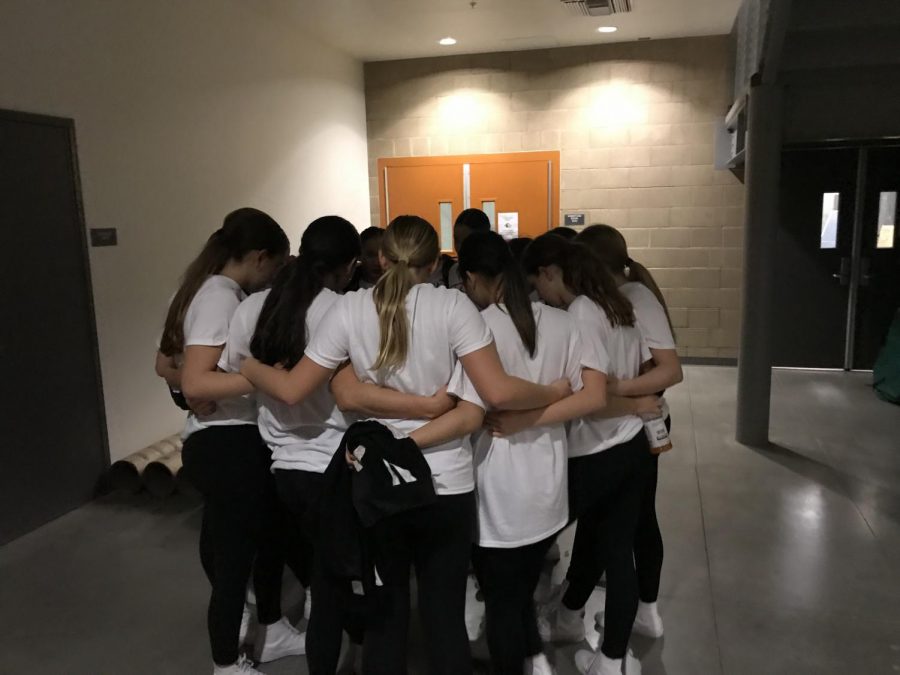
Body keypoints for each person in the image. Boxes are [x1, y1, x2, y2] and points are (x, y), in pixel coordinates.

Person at [240, 215, 571, 675]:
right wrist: (552, 394)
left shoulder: (349, 309)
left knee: (385, 619)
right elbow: (491, 397)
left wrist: (249, 368)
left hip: (377, 488)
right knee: (443, 619)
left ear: (379, 258)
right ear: (436, 262)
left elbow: (296, 389)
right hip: (445, 486)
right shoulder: (455, 308)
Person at [220, 215, 453, 674]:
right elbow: (351, 393)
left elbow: (238, 373)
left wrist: (249, 368)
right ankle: (365, 653)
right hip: (333, 468)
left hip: (280, 468)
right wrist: (429, 405)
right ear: (350, 266)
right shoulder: (340, 309)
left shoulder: (250, 310)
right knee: (339, 589)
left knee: (321, 582)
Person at [500, 232, 656, 675]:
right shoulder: (618, 306)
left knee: (531, 543)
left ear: (551, 273)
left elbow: (594, 396)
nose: (540, 297)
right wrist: (637, 405)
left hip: (594, 451)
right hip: (630, 447)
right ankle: (611, 660)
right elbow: (636, 375)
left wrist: (527, 418)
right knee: (616, 553)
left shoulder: (583, 311)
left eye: (539, 285)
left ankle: (526, 641)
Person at [456, 231, 611, 675]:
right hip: (547, 485)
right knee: (522, 589)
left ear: (471, 278)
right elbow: (591, 395)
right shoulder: (564, 324)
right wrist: (543, 409)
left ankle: (523, 659)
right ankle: (535, 659)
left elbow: (468, 409)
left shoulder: (479, 329)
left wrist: (521, 416)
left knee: (502, 601)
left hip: (497, 489)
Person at [157, 208, 300, 675]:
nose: (275, 277)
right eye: (276, 267)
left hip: (228, 440)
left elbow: (167, 366)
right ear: (260, 258)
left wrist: (197, 387)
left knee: (261, 538)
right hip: (226, 445)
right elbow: (197, 382)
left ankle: (272, 627)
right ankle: (226, 662)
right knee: (236, 558)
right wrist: (263, 378)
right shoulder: (220, 298)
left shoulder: (208, 290)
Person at [576, 224, 683, 639]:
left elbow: (670, 370)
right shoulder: (619, 298)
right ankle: (638, 608)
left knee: (634, 519)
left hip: (642, 421)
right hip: (633, 418)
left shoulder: (638, 298)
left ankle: (646, 609)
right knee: (629, 517)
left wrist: (612, 390)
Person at [447, 208, 492, 289]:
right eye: (456, 240)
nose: (459, 247)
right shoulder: (453, 271)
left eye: (466, 241)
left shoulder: (493, 273)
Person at [347, 226, 384, 291]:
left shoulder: (401, 287)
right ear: (359, 255)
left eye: (383, 255)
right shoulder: (346, 287)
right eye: (370, 255)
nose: (377, 262)